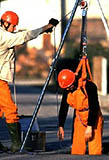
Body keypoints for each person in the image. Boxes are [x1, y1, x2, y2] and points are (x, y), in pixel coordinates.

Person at [0, 11, 59, 152]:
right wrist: (46, 27)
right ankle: (16, 145)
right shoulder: (4, 36)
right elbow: (24, 36)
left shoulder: (3, 33)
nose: (14, 29)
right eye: (13, 26)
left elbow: (17, 35)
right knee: (10, 110)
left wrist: (43, 30)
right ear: (5, 23)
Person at [57, 69, 103, 155]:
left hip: (94, 119)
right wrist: (61, 125)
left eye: (69, 86)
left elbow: (94, 107)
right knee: (77, 150)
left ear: (73, 81)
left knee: (95, 151)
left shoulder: (89, 86)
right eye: (65, 88)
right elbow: (64, 107)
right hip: (79, 119)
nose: (67, 89)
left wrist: (90, 126)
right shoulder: (67, 90)